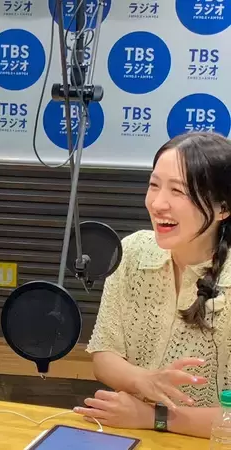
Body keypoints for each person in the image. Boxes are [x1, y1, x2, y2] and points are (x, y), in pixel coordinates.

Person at [73, 131, 231, 438]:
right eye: (154, 185)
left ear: (223, 208)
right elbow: (104, 356)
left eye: (178, 191)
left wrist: (155, 417)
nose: (158, 204)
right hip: (131, 436)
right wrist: (143, 380)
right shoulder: (132, 252)